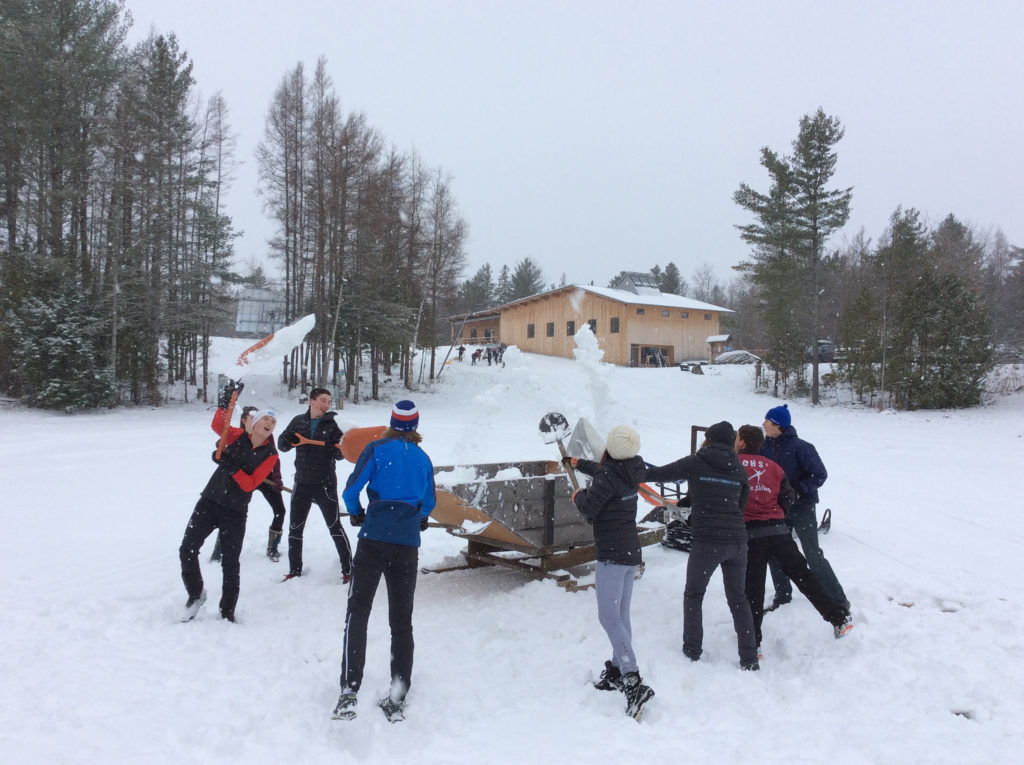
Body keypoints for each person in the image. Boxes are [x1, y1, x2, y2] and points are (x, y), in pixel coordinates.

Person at [332, 400, 436, 723]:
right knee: (401, 621)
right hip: (406, 545)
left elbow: (351, 490)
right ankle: (397, 694)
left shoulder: (377, 449)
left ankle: (349, 690)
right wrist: (417, 517)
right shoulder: (423, 458)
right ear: (415, 426)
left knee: (358, 611)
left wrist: (360, 513)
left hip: (373, 540)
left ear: (391, 422)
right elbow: (429, 501)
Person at [644, 421, 759, 670]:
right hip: (738, 542)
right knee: (739, 598)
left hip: (707, 541)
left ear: (708, 439)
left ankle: (692, 649)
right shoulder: (739, 468)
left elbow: (661, 474)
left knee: (694, 595)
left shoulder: (697, 461)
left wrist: (632, 471)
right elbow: (741, 505)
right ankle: (749, 658)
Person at [736, 425, 853, 652]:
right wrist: (777, 513)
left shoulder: (734, 464)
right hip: (779, 531)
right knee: (804, 576)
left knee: (753, 588)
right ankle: (838, 618)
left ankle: (753, 645)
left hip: (752, 535)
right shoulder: (773, 467)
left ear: (741, 443)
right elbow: (788, 495)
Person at [571, 425, 655, 720]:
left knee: (608, 616)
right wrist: (580, 463)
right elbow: (607, 473)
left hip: (612, 555)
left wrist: (577, 496)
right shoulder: (633, 467)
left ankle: (632, 679)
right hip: (631, 553)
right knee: (621, 616)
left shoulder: (608, 476)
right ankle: (619, 670)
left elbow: (590, 508)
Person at [179, 380, 278, 622]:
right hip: (210, 502)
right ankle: (195, 595)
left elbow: (250, 484)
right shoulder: (235, 437)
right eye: (266, 419)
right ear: (253, 423)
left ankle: (227, 611)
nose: (270, 424)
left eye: (273, 422)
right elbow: (218, 425)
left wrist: (231, 466)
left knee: (231, 563)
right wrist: (226, 400)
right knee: (187, 550)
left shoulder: (270, 455)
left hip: (235, 511)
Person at [760, 404, 849, 610]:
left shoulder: (802, 447)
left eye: (767, 421)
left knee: (812, 553)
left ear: (778, 425)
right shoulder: (763, 447)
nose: (763, 424)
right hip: (777, 508)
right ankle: (782, 596)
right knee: (775, 552)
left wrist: (798, 490)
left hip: (802, 507)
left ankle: (838, 599)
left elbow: (819, 475)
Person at [277, 388, 352, 582]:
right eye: (322, 401)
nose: (326, 405)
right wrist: (288, 439)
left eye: (328, 401)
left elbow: (341, 454)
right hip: (301, 482)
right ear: (311, 401)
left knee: (335, 527)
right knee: (295, 528)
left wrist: (338, 447)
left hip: (325, 484)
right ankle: (294, 570)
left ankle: (348, 570)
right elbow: (282, 446)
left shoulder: (334, 424)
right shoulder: (298, 421)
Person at [209, 405, 287, 563]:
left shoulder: (266, 438)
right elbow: (220, 441)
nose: (264, 423)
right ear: (244, 421)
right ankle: (219, 550)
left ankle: (273, 547)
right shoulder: (238, 436)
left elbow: (274, 459)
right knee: (230, 512)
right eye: (254, 418)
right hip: (241, 479)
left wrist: (277, 480)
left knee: (280, 510)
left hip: (265, 479)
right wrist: (223, 454)